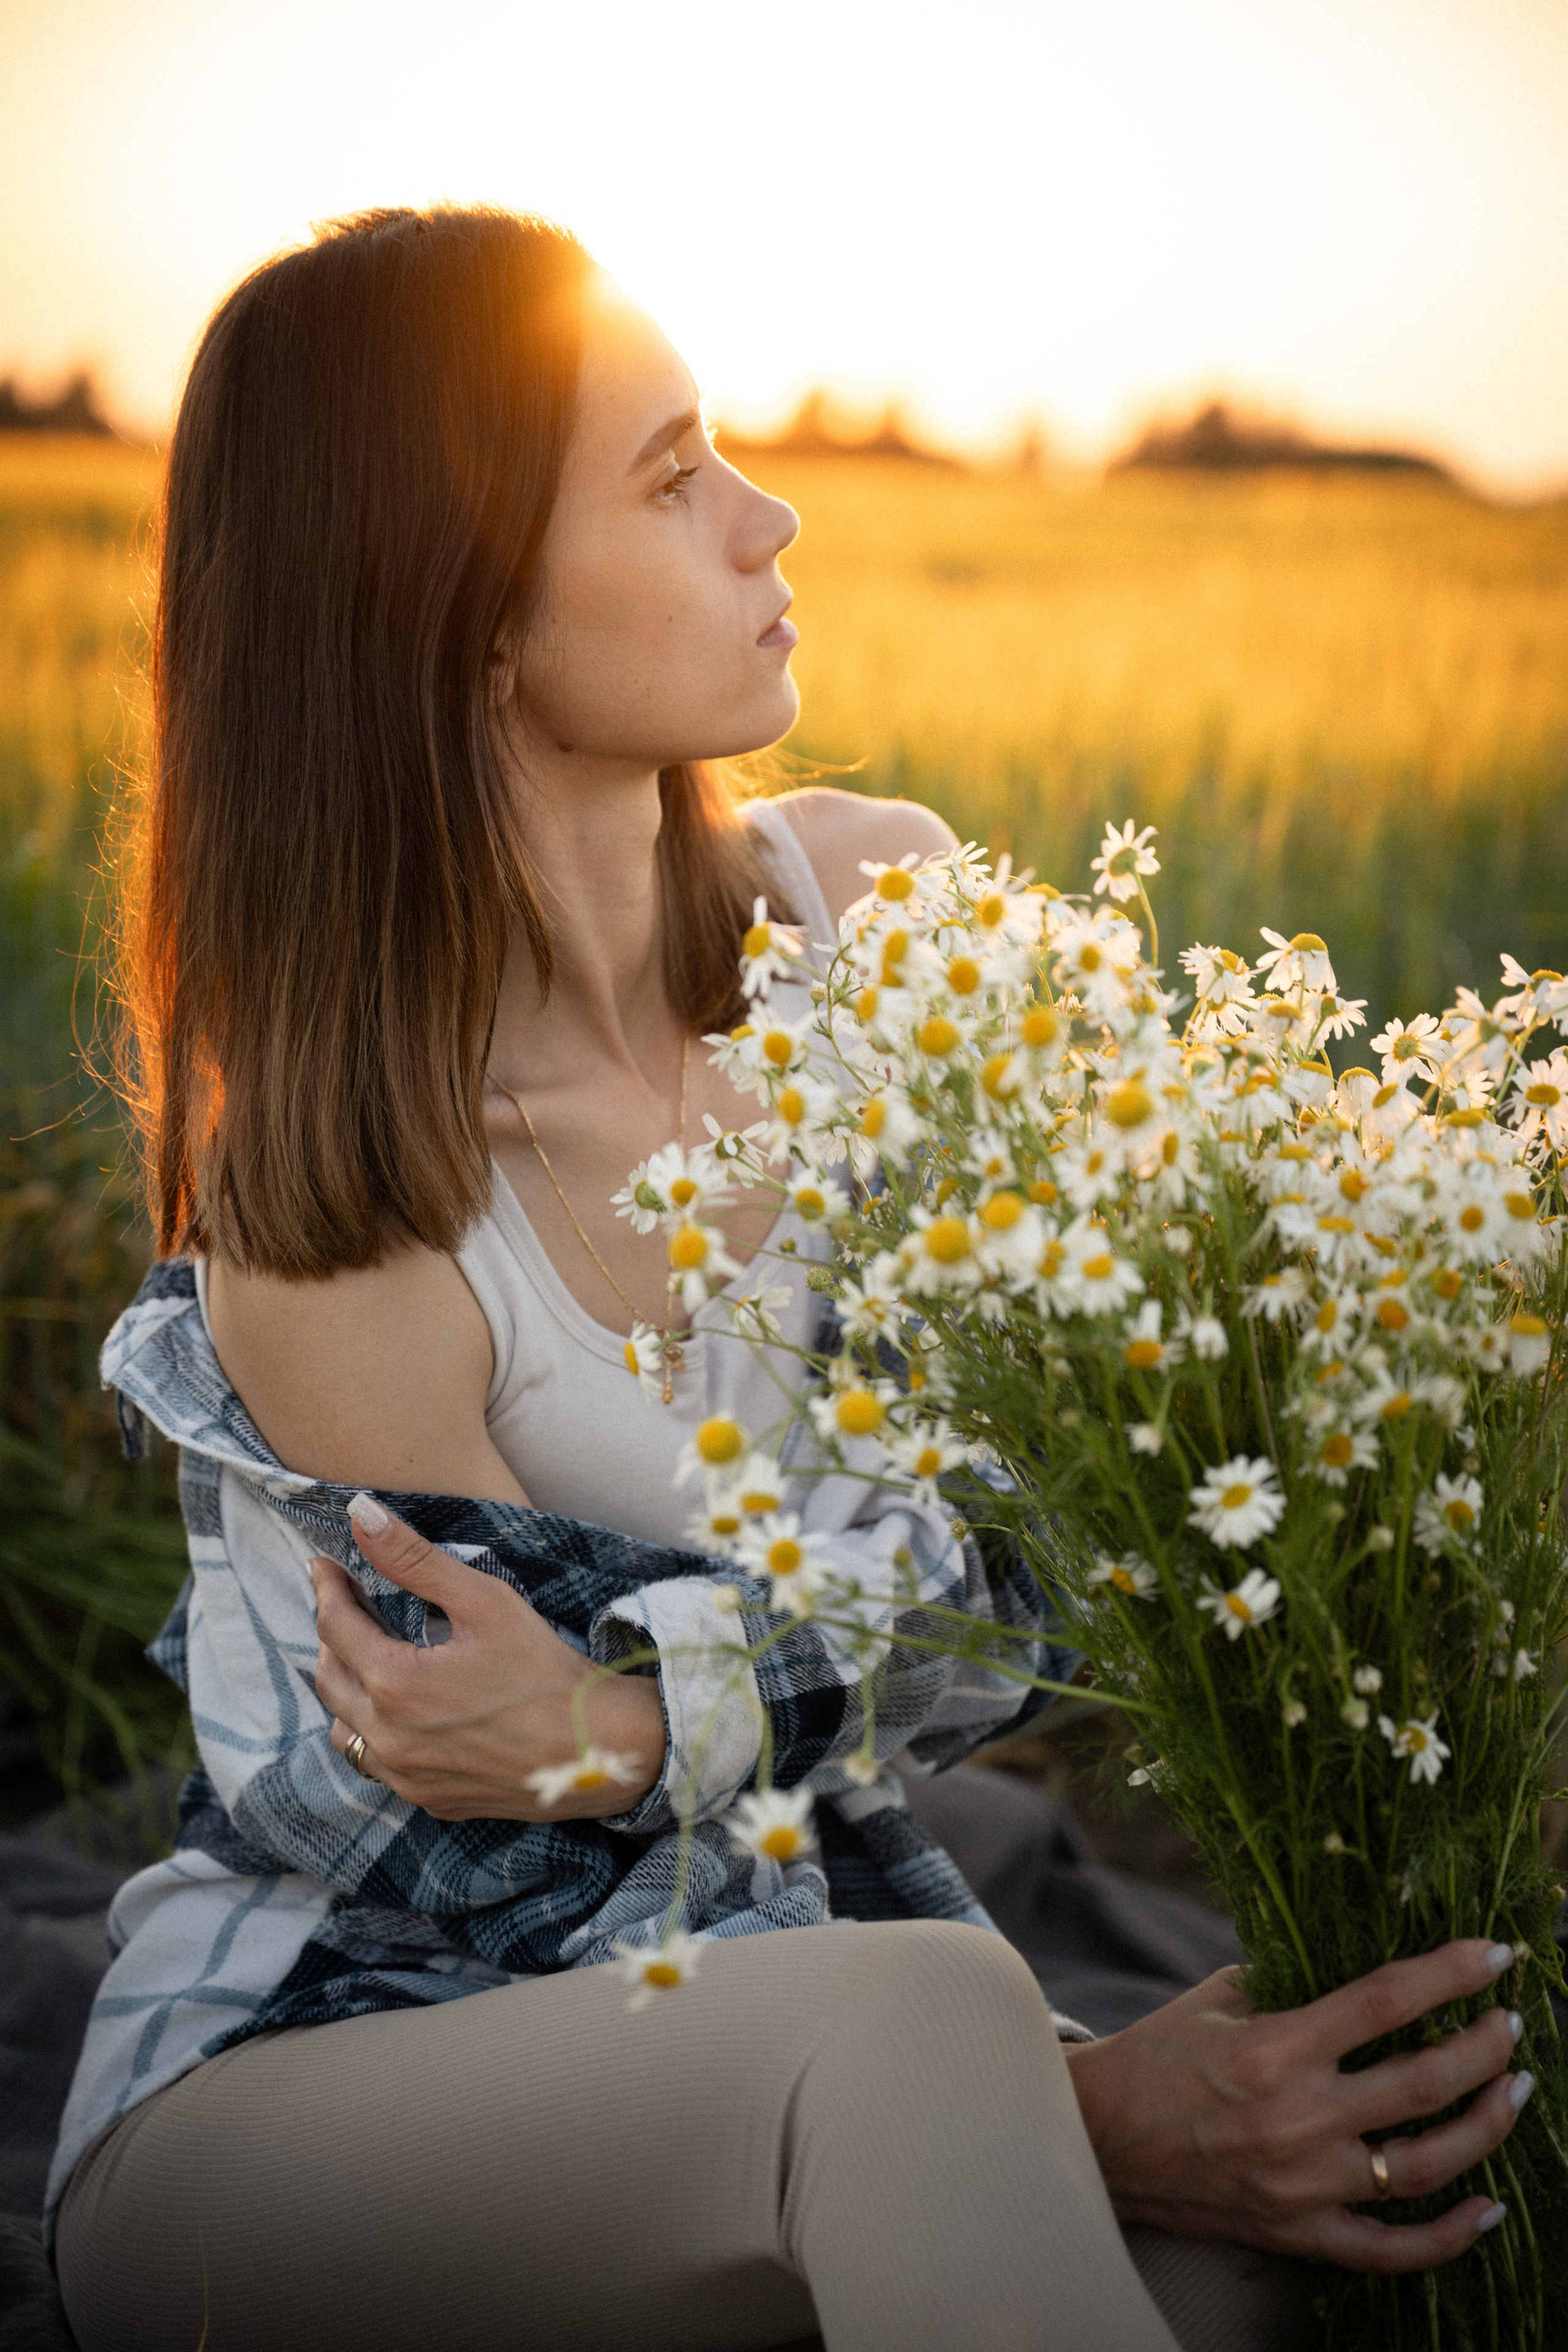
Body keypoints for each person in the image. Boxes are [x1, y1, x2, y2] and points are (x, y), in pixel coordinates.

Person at [50, 206, 1529, 2352]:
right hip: (319, 2080)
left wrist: (634, 1712)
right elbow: (526, 1858)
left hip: (774, 2026)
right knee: (934, 2041)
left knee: (1298, 2262)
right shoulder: (341, 1195)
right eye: (667, 478)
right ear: (454, 617)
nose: (771, 515)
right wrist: (1097, 2109)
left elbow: (1080, 1529)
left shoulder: (884, 927)